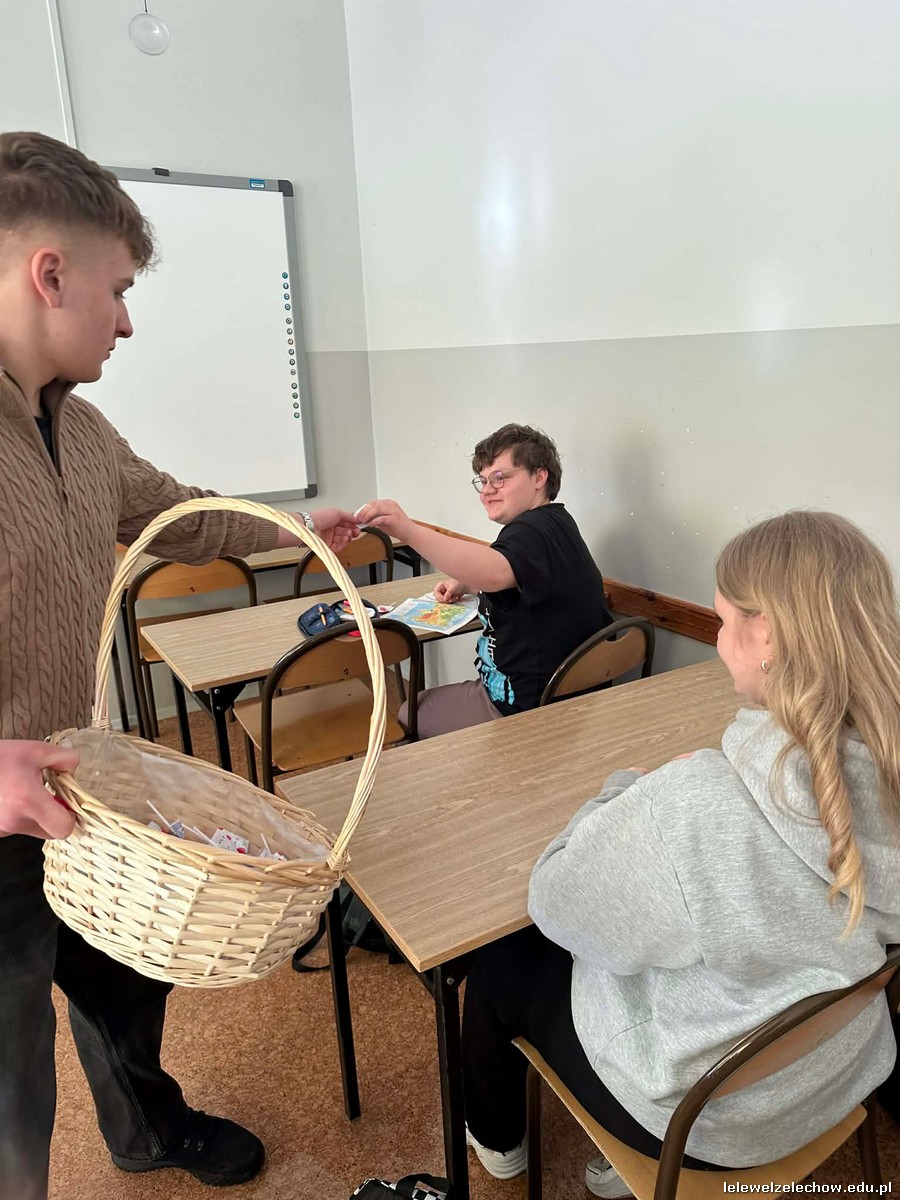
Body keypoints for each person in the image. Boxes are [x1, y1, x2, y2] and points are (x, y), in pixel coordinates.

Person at [0, 131, 360, 1199]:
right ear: (49, 274)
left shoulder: (83, 430)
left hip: (85, 800)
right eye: (116, 290)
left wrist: (304, 532)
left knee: (123, 984)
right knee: (11, 1089)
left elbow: (183, 517)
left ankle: (147, 1131)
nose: (127, 320)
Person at [459, 510, 900, 1197]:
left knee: (502, 954)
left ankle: (496, 1141)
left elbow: (556, 900)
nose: (717, 640)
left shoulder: (700, 803)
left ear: (768, 635)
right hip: (835, 1077)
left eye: (721, 622)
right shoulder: (886, 769)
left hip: (707, 1123)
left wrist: (625, 790)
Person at [357, 423, 612, 738]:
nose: (487, 491)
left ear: (539, 477)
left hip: (527, 706)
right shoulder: (558, 522)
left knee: (410, 710)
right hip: (575, 693)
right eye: (483, 480)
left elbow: (496, 571)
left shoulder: (528, 531)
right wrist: (466, 582)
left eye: (500, 478)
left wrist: (409, 531)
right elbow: (516, 569)